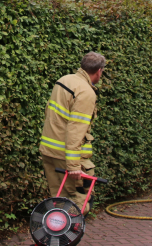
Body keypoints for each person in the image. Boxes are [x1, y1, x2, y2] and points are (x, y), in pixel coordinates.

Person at [40, 52, 105, 210]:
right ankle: (67, 234)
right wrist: (74, 166)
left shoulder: (64, 80)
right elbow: (76, 130)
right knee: (78, 204)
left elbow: (49, 112)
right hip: (66, 156)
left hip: (49, 151)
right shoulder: (86, 92)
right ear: (99, 71)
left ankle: (55, 234)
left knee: (58, 201)